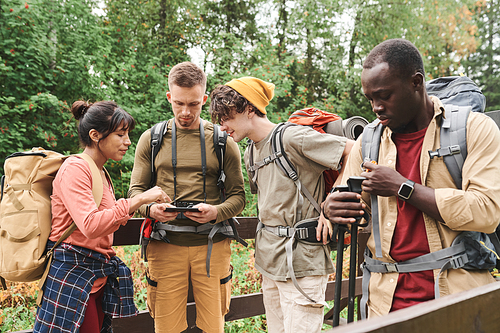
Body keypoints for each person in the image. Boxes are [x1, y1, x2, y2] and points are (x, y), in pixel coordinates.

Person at [323, 38, 500, 318]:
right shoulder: (369, 140)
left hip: (456, 303)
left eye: (385, 96)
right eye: (370, 99)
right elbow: (351, 199)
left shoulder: (474, 129)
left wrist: (402, 187)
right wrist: (332, 207)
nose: (376, 107)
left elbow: (487, 211)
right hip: (383, 305)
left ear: (416, 82)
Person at [209, 77, 354, 333]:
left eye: (227, 118)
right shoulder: (250, 151)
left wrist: (333, 202)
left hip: (303, 263)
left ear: (250, 108)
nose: (223, 127)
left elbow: (354, 150)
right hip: (271, 262)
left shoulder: (291, 137)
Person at [128, 62, 245, 333]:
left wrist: (216, 212)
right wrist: (151, 210)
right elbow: (135, 193)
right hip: (165, 246)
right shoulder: (152, 139)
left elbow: (239, 197)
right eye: (179, 103)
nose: (185, 112)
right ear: (169, 96)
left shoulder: (223, 141)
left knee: (214, 327)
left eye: (194, 104)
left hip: (212, 246)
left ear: (204, 99)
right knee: (166, 328)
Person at [34, 100, 169, 333]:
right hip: (72, 274)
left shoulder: (100, 171)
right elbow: (89, 225)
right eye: (120, 134)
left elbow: (107, 218)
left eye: (127, 134)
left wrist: (142, 208)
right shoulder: (75, 168)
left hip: (95, 275)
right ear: (95, 135)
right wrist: (138, 199)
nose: (127, 142)